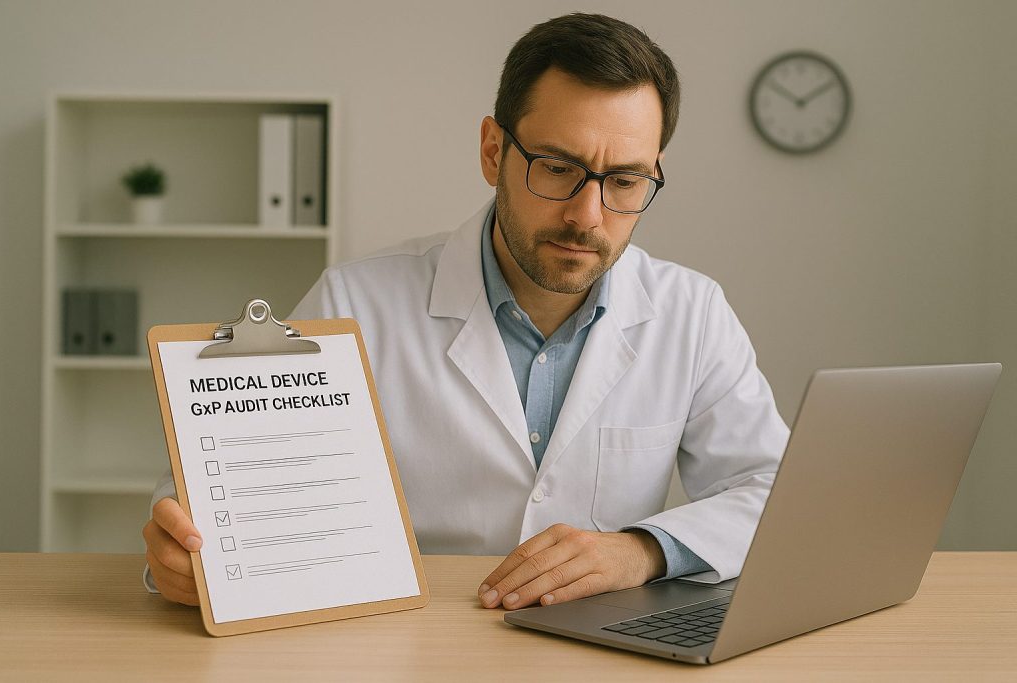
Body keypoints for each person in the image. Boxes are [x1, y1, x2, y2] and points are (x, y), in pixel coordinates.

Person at [143, 12, 789, 612]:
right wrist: (186, 553)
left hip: (599, 644)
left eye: (623, 181)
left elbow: (777, 492)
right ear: (492, 151)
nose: (587, 216)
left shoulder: (691, 311)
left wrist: (642, 549)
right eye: (557, 167)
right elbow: (222, 488)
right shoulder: (355, 303)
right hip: (404, 640)